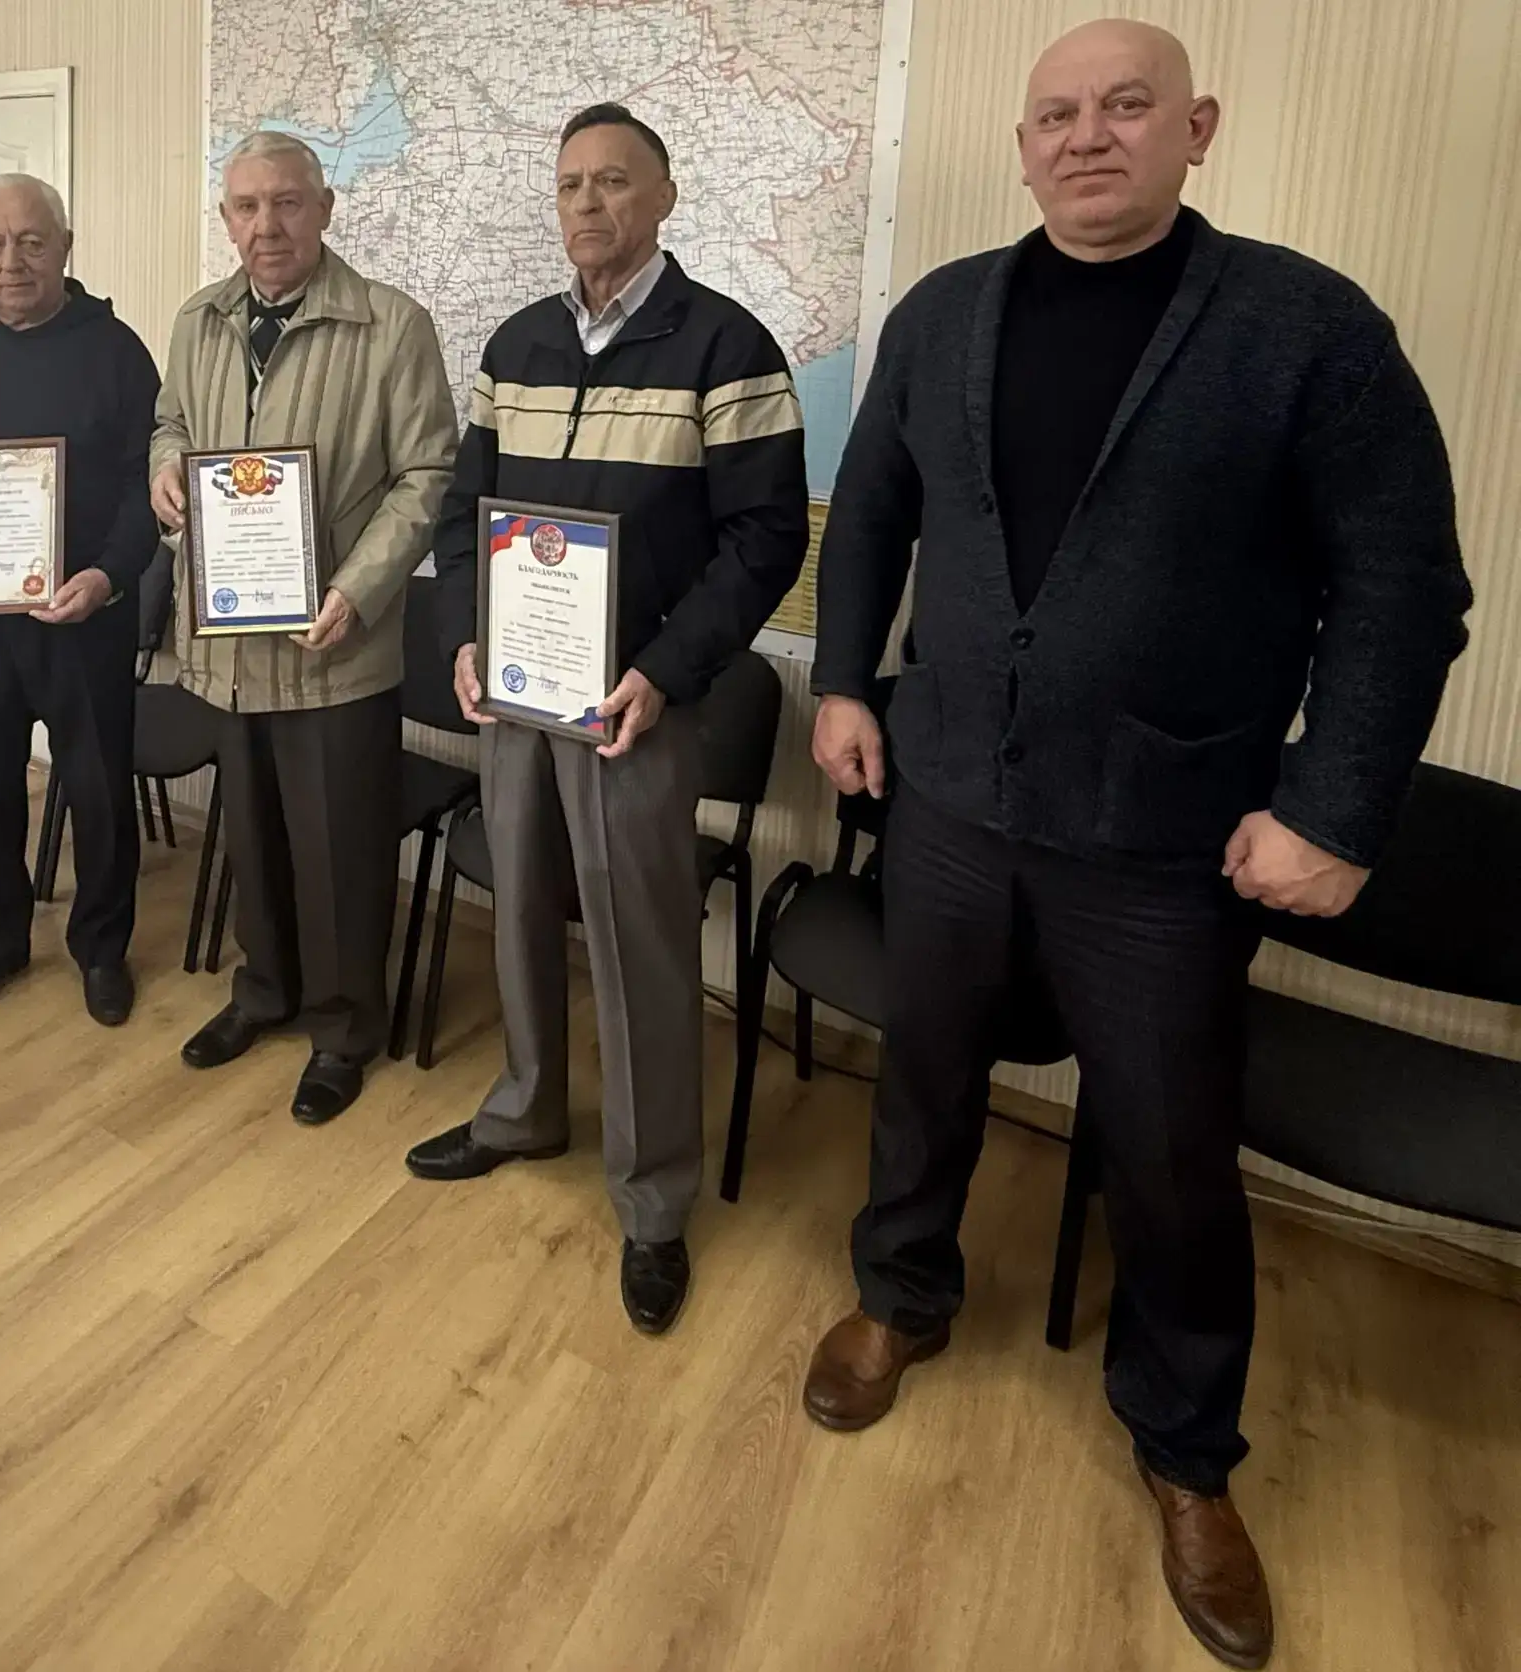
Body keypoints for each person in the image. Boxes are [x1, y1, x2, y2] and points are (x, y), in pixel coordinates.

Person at [803, 21, 1472, 1668]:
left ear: (1197, 128)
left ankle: (1186, 1447)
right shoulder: (944, 312)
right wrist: (842, 682)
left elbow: (1402, 588)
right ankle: (901, 1298)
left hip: (1164, 837)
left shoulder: (1307, 330)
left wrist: (1332, 811)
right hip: (949, 801)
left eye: (1125, 107)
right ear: (1023, 145)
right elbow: (872, 507)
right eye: (1057, 114)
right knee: (924, 1076)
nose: (1087, 136)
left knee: (1171, 1149)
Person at [412, 104, 809, 1336]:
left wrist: (666, 671)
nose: (589, 204)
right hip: (517, 695)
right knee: (518, 903)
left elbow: (765, 541)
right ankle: (527, 1107)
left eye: (615, 181)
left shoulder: (728, 346)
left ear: (665, 196)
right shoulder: (518, 341)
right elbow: (466, 510)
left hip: (637, 704)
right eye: (572, 184)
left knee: (640, 946)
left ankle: (652, 1196)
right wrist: (467, 636)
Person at [150, 132, 458, 1121]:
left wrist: (359, 589)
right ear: (226, 218)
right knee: (252, 837)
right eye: (246, 206)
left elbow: (428, 475)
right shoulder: (198, 320)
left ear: (324, 208)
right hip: (229, 647)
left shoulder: (390, 325)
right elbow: (171, 423)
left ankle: (344, 1028)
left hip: (334, 645)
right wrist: (165, 468)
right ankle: (264, 992)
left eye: (286, 203)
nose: (266, 225)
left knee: (340, 853)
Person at [0, 174, 160, 1027]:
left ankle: (102, 948)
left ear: (65, 246)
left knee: (98, 790)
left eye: (31, 242)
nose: (12, 261)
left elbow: (144, 486)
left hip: (86, 611)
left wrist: (109, 574)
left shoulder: (117, 350)